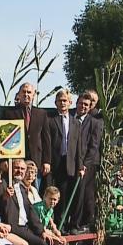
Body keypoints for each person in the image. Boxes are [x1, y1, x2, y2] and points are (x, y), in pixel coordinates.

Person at [0, 158, 56, 245]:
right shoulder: (4, 184)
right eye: (17, 168)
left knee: (45, 240)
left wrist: (41, 230)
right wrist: (5, 197)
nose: (20, 171)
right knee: (39, 244)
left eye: (22, 169)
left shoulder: (22, 187)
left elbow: (30, 211)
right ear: (11, 168)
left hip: (26, 225)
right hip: (13, 226)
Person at [0, 83, 51, 189]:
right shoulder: (8, 113)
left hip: (36, 159)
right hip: (16, 159)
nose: (26, 94)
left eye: (29, 92)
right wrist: (3, 159)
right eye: (24, 92)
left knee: (34, 191)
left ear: (34, 95)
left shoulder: (41, 113)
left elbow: (46, 139)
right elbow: (2, 137)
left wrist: (47, 161)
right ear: (19, 94)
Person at [47, 89, 83, 228]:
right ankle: (54, 224)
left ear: (70, 103)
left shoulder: (76, 123)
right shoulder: (50, 120)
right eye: (60, 101)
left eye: (65, 101)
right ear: (56, 103)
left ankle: (66, 225)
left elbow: (78, 147)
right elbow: (47, 142)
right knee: (53, 194)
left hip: (69, 164)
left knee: (67, 196)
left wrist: (80, 166)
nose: (62, 103)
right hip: (54, 163)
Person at [71, 93, 102, 234]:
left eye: (86, 105)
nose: (82, 107)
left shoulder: (94, 123)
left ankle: (78, 224)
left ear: (90, 108)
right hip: (70, 162)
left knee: (82, 194)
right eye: (81, 103)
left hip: (86, 164)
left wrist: (84, 164)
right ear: (76, 103)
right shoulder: (71, 119)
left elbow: (93, 146)